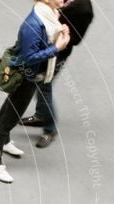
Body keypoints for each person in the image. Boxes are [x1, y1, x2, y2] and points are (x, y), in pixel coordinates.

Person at [0, 0, 71, 184]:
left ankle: (5, 142)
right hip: (27, 79)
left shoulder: (50, 15)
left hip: (32, 76)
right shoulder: (33, 25)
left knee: (9, 106)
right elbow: (29, 58)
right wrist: (57, 48)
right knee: (10, 120)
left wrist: (59, 36)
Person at [20, 0, 95, 148]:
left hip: (57, 52)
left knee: (44, 87)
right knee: (41, 86)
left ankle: (50, 130)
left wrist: (61, 33)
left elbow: (76, 39)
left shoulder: (83, 9)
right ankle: (41, 116)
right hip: (43, 45)